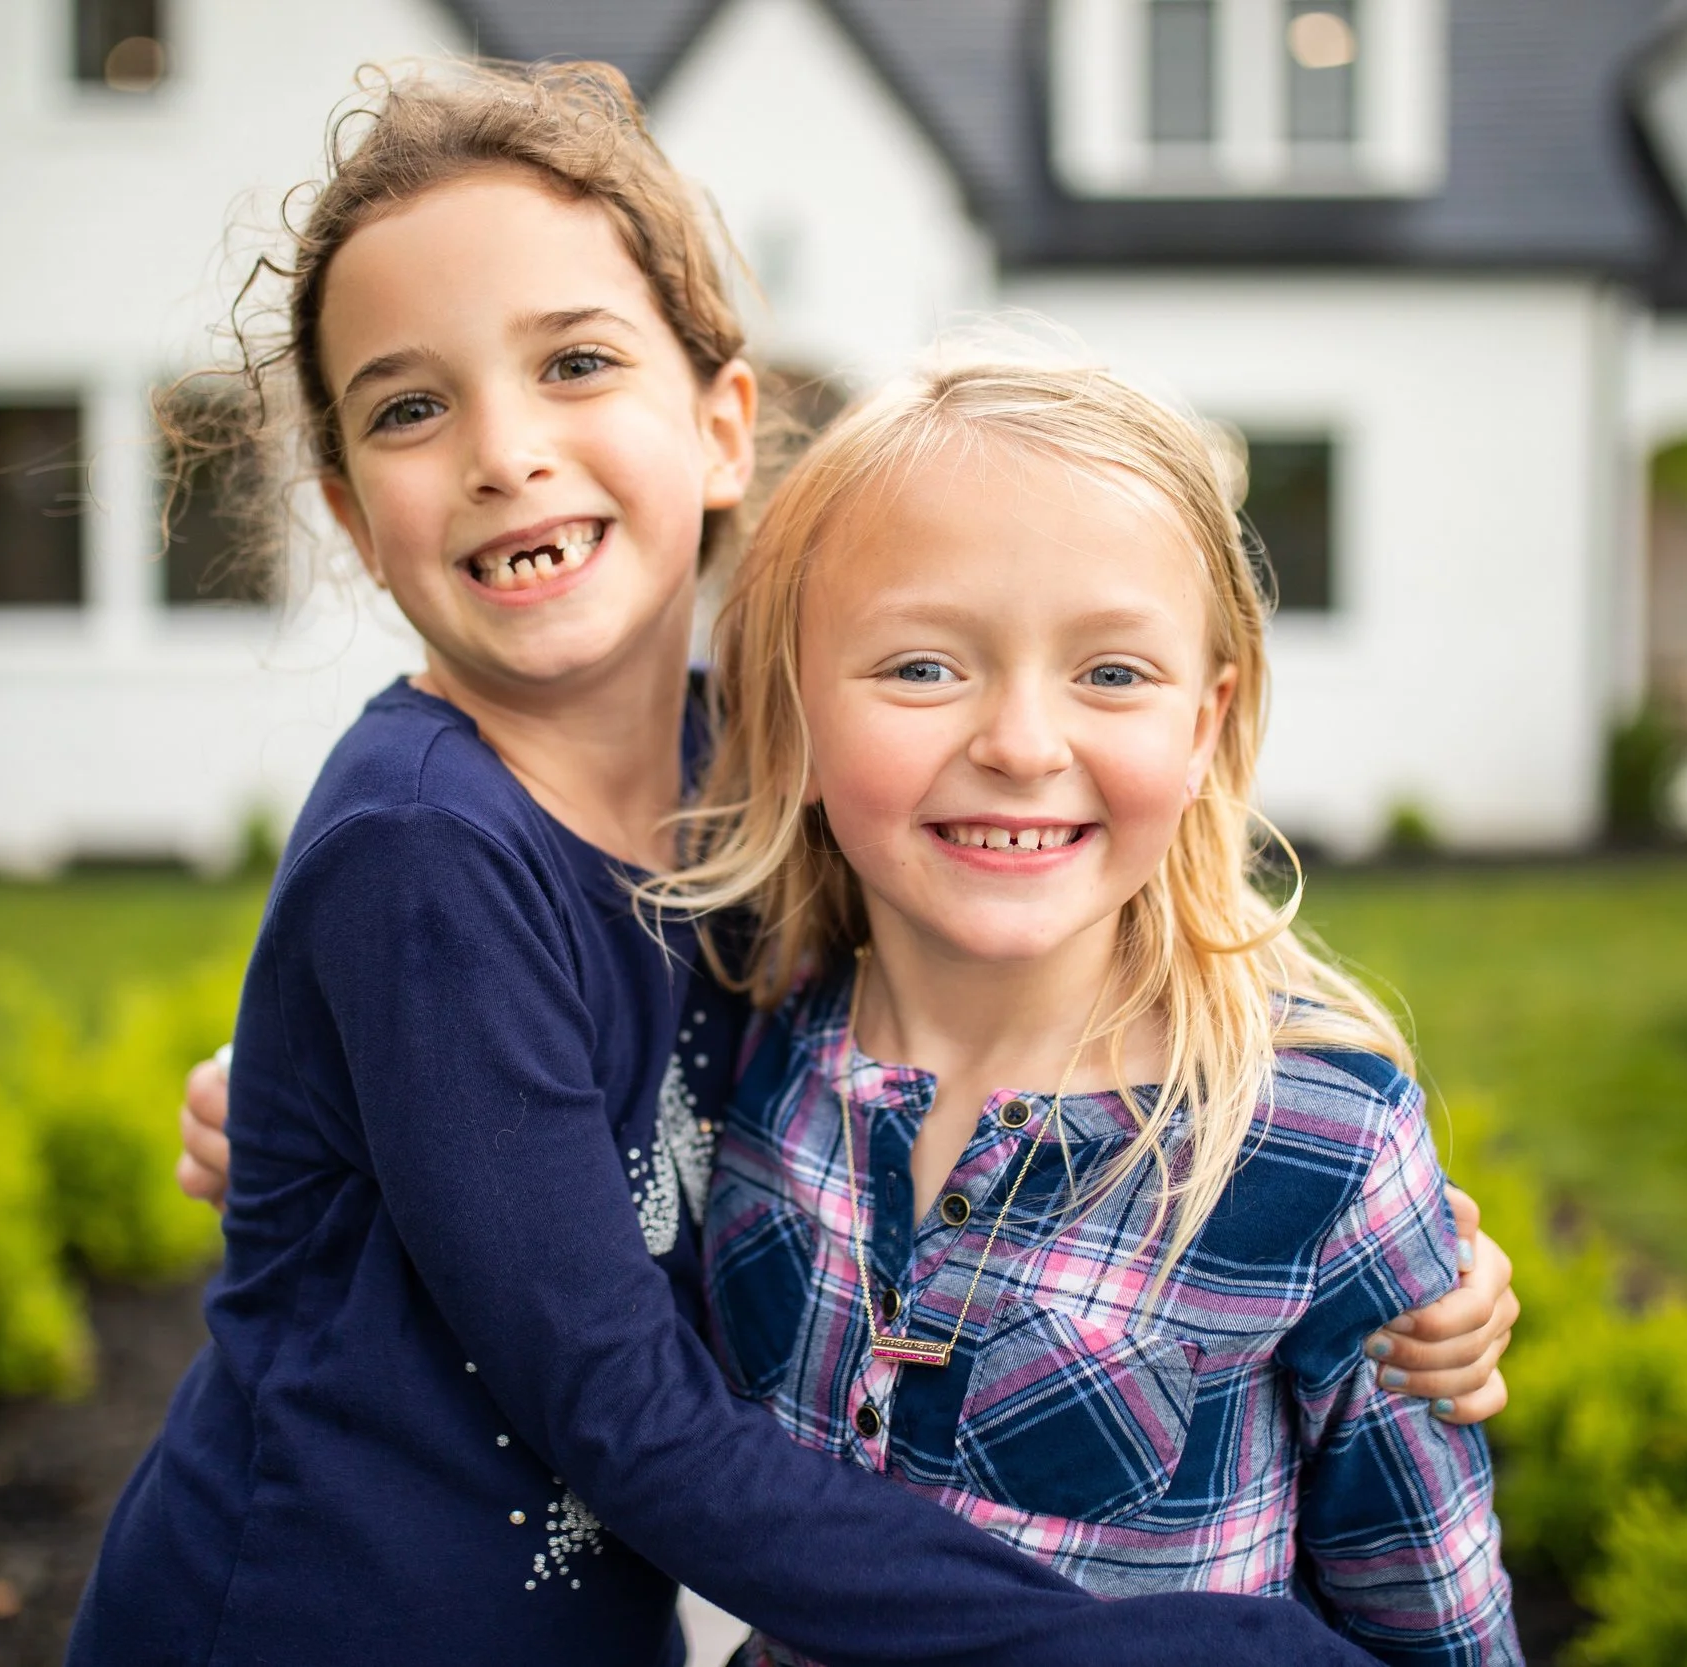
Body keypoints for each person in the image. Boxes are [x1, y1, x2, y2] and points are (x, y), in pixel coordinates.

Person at [100, 57, 1515, 1666]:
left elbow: (1039, 962)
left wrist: (1387, 1247)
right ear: (355, 519)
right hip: (315, 1618)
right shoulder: (425, 845)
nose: (504, 451)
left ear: (722, 427)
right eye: (412, 406)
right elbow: (634, 1415)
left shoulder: (764, 778)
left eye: (573, 361)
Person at [642, 356, 1520, 1662]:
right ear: (797, 708)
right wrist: (295, 1103)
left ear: (1206, 724)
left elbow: (1435, 1626)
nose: (1021, 740)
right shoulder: (759, 1036)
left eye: (1111, 673)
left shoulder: (1314, 1142)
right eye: (926, 665)